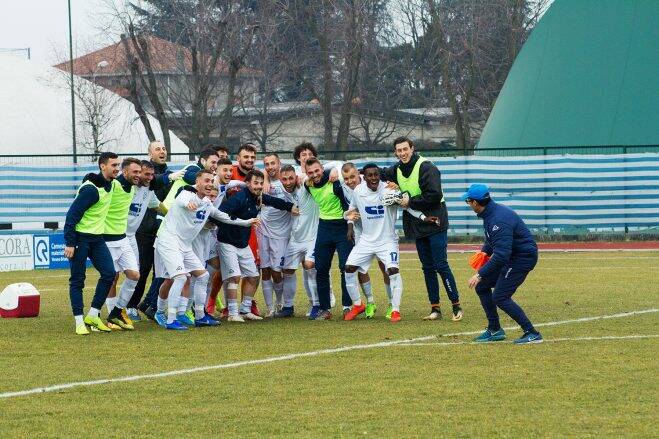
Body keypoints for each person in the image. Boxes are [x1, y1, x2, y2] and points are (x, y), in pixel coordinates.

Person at [153, 170, 257, 330]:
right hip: (169, 242)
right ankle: (170, 319)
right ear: (198, 182)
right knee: (179, 278)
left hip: (184, 245)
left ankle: (200, 316)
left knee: (203, 276)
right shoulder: (186, 193)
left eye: (211, 181)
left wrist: (246, 222)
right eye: (206, 181)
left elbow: (223, 217)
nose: (209, 184)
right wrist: (188, 204)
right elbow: (182, 200)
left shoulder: (207, 203)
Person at [382, 137, 463, 321]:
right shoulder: (396, 169)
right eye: (399, 150)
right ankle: (435, 309)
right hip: (417, 225)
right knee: (427, 268)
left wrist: (410, 201)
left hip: (435, 222)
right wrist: (339, 172)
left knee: (441, 265)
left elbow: (434, 195)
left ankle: (456, 306)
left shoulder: (426, 167)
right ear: (395, 152)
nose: (402, 153)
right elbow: (376, 173)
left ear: (412, 148)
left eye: (405, 149)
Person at [463, 184, 543, 344]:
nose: (467, 204)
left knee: (500, 296)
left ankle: (532, 333)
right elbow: (492, 239)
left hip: (522, 258)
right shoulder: (490, 213)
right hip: (511, 256)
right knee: (482, 287)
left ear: (475, 203)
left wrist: (479, 274)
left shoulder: (497, 219)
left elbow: (501, 255)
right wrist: (485, 251)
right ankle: (495, 330)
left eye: (468, 201)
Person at [218, 170, 297, 322]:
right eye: (256, 183)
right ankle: (233, 313)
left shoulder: (258, 197)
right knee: (235, 277)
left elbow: (273, 201)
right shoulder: (239, 197)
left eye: (261, 183)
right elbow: (221, 213)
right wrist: (241, 222)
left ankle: (245, 310)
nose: (259, 186)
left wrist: (290, 206)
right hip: (227, 242)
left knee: (254, 276)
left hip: (242, 244)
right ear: (247, 184)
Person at [63, 152, 119, 335]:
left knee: (109, 273)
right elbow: (71, 216)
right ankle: (79, 321)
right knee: (78, 280)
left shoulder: (111, 184)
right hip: (80, 239)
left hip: (97, 239)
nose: (117, 168)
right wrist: (70, 243)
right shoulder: (90, 190)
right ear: (103, 166)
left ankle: (93, 315)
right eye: (113, 165)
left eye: (118, 165)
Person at [343, 164, 405, 322]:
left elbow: (406, 202)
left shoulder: (389, 189)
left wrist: (399, 194)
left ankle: (395, 309)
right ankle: (358, 305)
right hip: (366, 239)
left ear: (380, 176)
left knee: (392, 271)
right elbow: (350, 211)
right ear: (364, 177)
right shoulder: (358, 191)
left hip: (387, 240)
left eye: (376, 175)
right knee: (349, 268)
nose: (373, 178)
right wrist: (348, 220)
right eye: (369, 175)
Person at [134, 141, 181, 318]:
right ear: (149, 154)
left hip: (164, 231)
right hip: (144, 230)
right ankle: (131, 305)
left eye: (164, 149)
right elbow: (154, 183)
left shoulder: (172, 175)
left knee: (161, 273)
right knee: (142, 270)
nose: (162, 151)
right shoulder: (146, 175)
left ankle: (149, 304)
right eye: (157, 149)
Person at [305, 158, 352, 320]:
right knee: (321, 268)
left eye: (317, 171)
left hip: (342, 227)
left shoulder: (335, 182)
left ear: (322, 169)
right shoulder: (308, 185)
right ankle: (325, 309)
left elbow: (346, 206)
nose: (315, 175)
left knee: (345, 267)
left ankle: (347, 306)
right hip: (324, 228)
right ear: (306, 173)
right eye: (310, 172)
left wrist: (350, 226)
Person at [120, 160, 166, 321]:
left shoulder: (148, 190)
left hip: (130, 235)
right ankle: (118, 309)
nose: (149, 177)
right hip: (117, 235)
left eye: (152, 175)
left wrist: (173, 216)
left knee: (136, 273)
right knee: (112, 275)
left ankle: (126, 308)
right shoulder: (126, 188)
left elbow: (158, 206)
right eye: (146, 174)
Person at [102, 158, 142, 331]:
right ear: (125, 172)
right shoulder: (113, 186)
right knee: (112, 277)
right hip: (107, 240)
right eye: (135, 172)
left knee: (134, 275)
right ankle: (111, 315)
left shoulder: (132, 187)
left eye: (139, 172)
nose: (138, 175)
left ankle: (117, 311)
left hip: (123, 239)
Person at [259, 153, 294, 317]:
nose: (270, 167)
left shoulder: (288, 181)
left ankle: (280, 304)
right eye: (267, 164)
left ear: (279, 163)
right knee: (264, 270)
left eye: (273, 163)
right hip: (262, 230)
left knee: (276, 271)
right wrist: (264, 178)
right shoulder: (261, 182)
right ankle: (270, 308)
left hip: (281, 235)